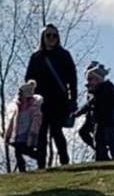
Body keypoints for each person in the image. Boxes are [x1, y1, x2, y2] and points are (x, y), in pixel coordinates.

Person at [24, 25, 79, 167]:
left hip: (59, 100)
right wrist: (28, 97)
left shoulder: (64, 55)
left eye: (54, 35)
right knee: (40, 133)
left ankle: (64, 160)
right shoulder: (36, 57)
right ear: (43, 37)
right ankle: (41, 164)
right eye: (48, 35)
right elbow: (29, 78)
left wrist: (73, 99)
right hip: (40, 101)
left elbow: (72, 78)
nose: (52, 38)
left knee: (56, 131)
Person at [75, 61, 114, 161]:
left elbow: (92, 104)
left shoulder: (107, 88)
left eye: (90, 80)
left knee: (112, 140)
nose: (88, 82)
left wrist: (79, 113)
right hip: (99, 121)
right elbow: (90, 104)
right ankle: (102, 158)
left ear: (98, 79)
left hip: (110, 121)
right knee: (98, 140)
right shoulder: (95, 91)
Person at [9, 81, 45, 172]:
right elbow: (13, 121)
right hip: (18, 133)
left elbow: (36, 121)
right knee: (18, 151)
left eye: (21, 93)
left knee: (25, 150)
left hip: (27, 133)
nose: (19, 96)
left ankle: (39, 157)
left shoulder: (33, 107)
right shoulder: (18, 107)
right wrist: (9, 133)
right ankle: (22, 169)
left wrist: (33, 132)